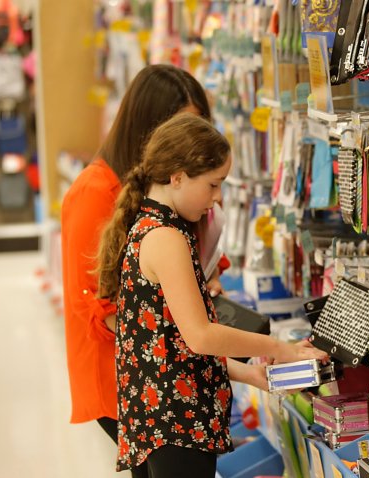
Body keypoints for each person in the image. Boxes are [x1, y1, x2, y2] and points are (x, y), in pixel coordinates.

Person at [60, 65, 267, 478]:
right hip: (137, 381)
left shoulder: (167, 206)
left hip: (166, 378)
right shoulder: (98, 193)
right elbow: (107, 305)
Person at [95, 114, 328, 476]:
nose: (217, 198)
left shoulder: (149, 226)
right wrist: (281, 349)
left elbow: (173, 344)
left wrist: (250, 375)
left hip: (160, 417)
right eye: (213, 185)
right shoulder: (166, 238)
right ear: (177, 177)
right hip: (177, 423)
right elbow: (201, 336)